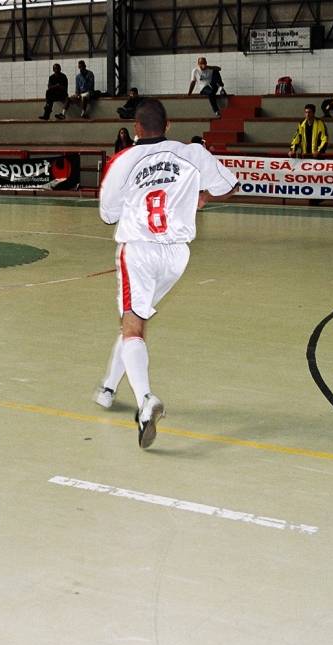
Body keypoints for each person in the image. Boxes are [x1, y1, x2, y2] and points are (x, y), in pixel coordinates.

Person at [94, 99, 239, 449]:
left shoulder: (123, 161)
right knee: (136, 318)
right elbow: (229, 186)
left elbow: (108, 215)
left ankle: (146, 401)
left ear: (137, 129)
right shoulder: (193, 153)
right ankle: (108, 388)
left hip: (140, 250)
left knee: (133, 323)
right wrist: (200, 196)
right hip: (176, 256)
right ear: (169, 125)